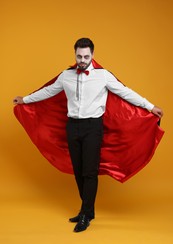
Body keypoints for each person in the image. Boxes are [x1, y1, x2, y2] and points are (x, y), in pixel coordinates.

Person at [13, 38, 163, 233]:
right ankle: (88, 210)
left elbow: (127, 93)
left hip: (93, 127)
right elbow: (48, 91)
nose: (82, 60)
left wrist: (150, 106)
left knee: (89, 171)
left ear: (92, 55)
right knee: (78, 169)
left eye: (86, 56)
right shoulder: (65, 76)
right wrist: (25, 99)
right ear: (74, 55)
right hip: (72, 126)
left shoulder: (103, 76)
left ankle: (85, 214)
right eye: (79, 56)